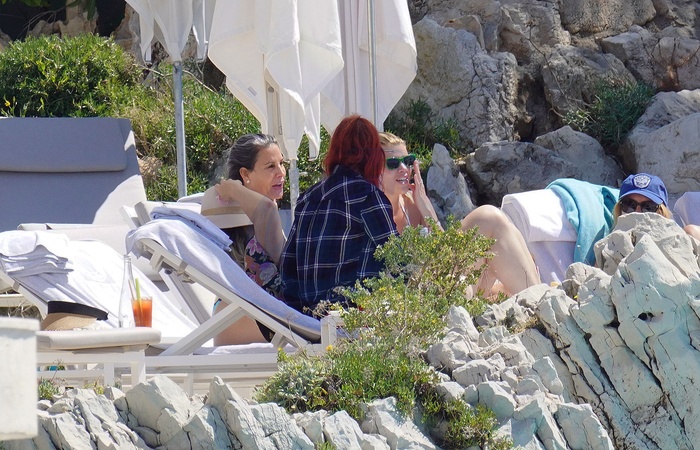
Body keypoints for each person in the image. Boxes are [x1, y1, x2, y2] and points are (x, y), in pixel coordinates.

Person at [378, 132, 540, 297]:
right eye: (393, 163)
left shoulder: (413, 203)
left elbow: (443, 253)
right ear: (372, 168)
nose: (404, 169)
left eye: (408, 161)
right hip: (413, 297)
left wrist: (427, 209)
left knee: (497, 223)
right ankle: (538, 298)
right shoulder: (367, 215)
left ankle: (539, 296)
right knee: (489, 218)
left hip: (443, 286)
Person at [280, 115, 398, 315]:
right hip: (352, 317)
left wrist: (303, 313)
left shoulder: (307, 198)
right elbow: (396, 259)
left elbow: (287, 265)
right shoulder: (368, 197)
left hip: (307, 317)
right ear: (374, 155)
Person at [207, 133, 287, 344]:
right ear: (245, 173)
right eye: (270, 166)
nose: (281, 172)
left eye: (282, 164)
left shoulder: (260, 211)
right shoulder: (253, 214)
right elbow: (266, 210)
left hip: (245, 313)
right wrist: (233, 188)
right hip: (240, 315)